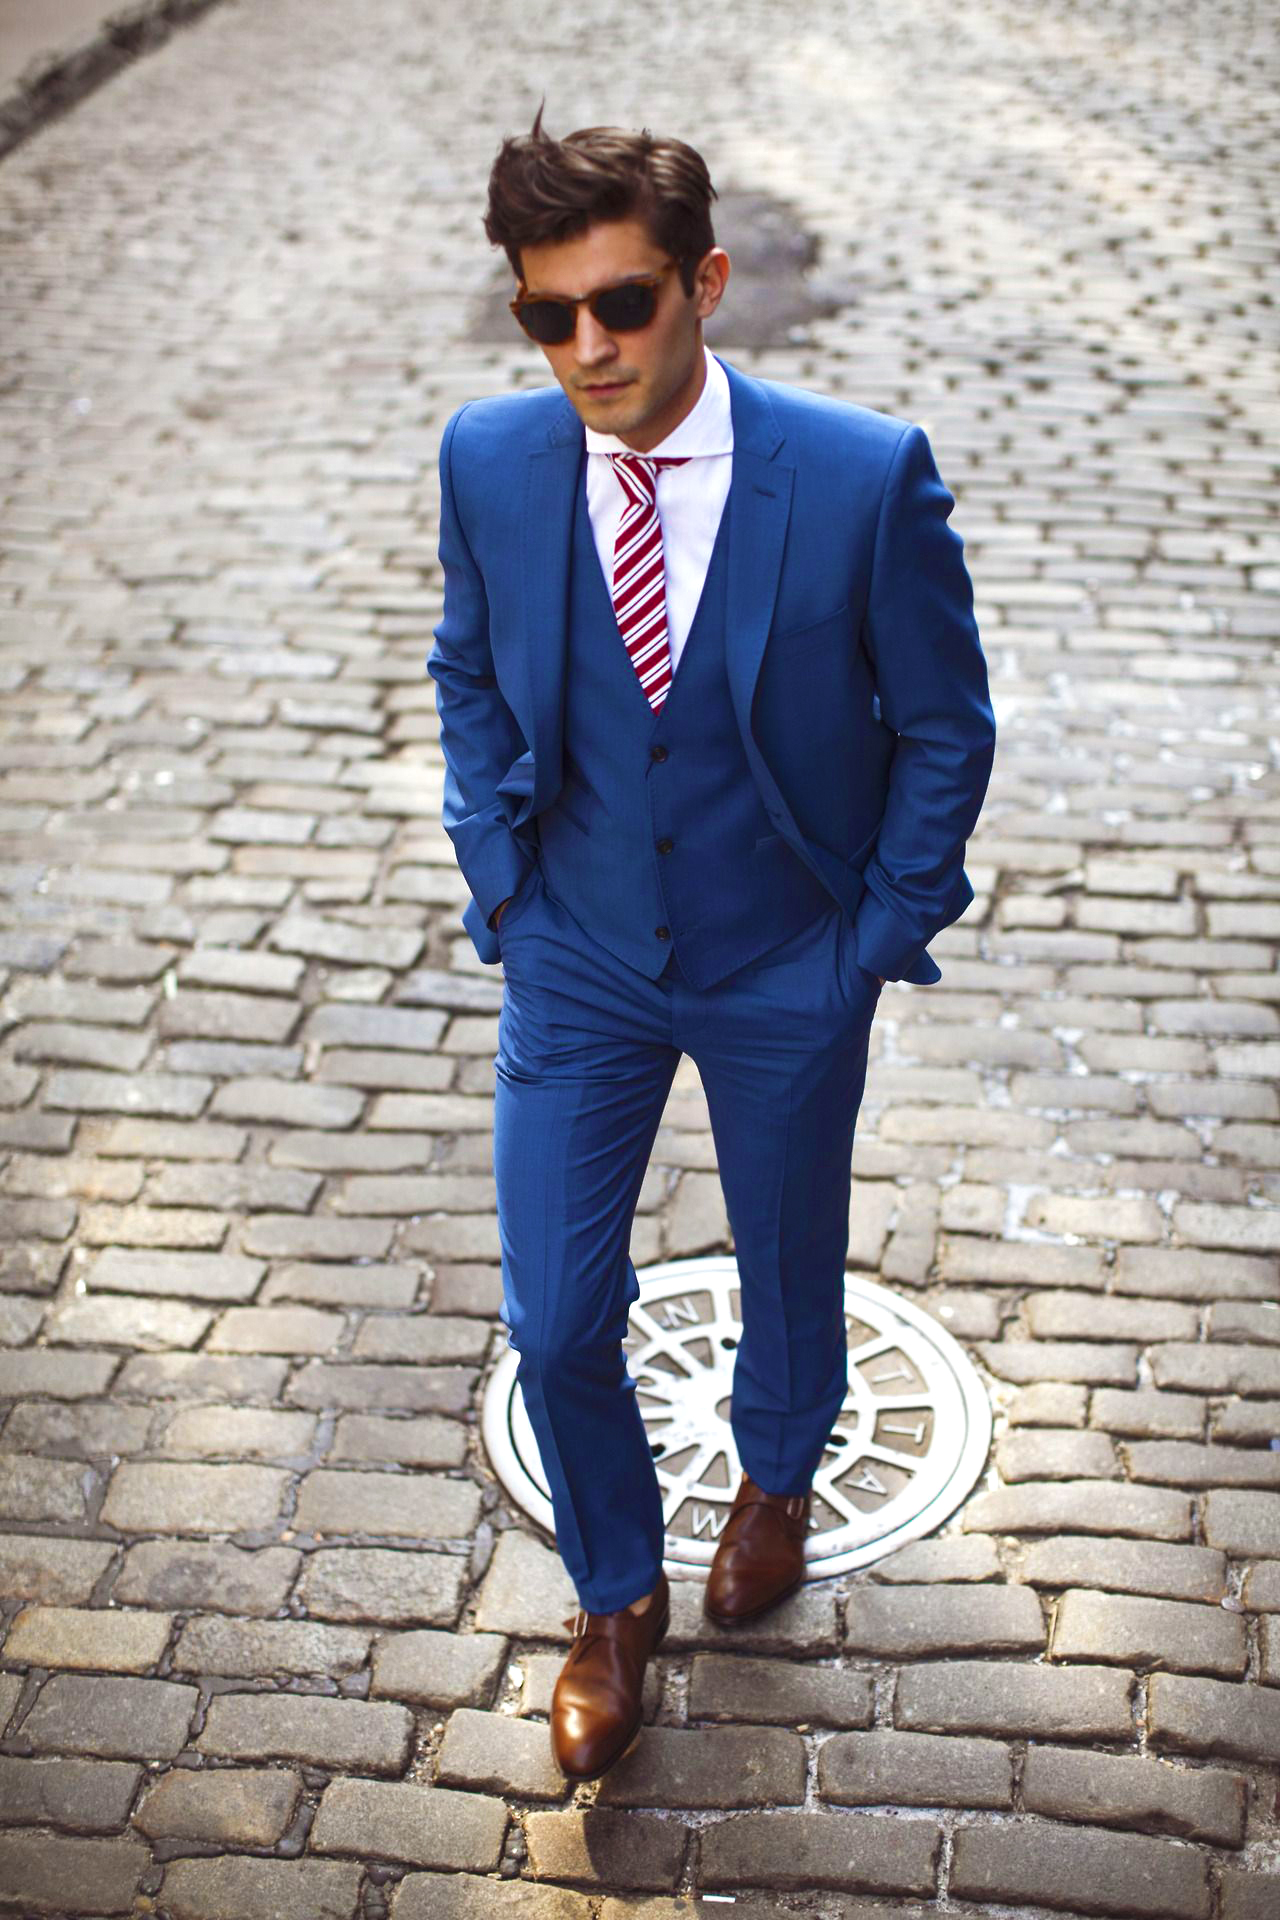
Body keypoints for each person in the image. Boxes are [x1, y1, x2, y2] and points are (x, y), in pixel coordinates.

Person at [427, 109, 996, 1782]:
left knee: (785, 1249)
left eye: (623, 305)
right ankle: (612, 1597)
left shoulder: (858, 473)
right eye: (549, 315)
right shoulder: (488, 460)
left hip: (781, 956)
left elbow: (947, 727)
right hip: (579, 951)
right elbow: (468, 674)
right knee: (554, 1314)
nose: (587, 348)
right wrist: (506, 884)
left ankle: (774, 1472)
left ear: (708, 285)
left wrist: (873, 938)